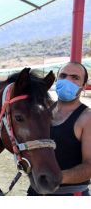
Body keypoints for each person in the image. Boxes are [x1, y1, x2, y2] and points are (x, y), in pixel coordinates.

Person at [27, 62, 91, 196]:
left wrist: (57, 177)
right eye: (63, 76)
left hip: (69, 194)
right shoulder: (42, 112)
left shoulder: (87, 118)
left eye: (75, 77)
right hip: (35, 191)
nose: (68, 80)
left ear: (84, 86)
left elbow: (89, 166)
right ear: (57, 81)